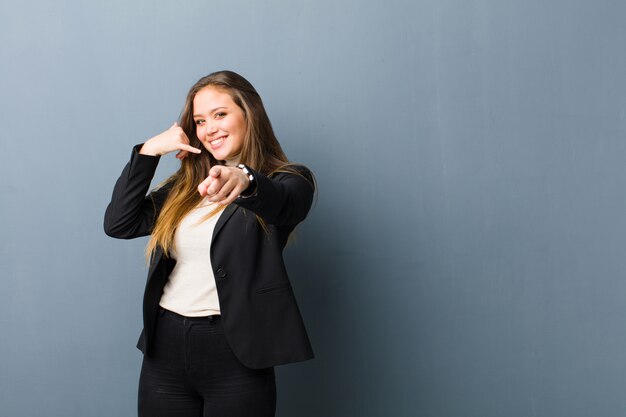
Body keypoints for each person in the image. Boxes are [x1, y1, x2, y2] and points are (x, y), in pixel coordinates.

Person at [104, 70, 315, 417]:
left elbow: (284, 203)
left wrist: (245, 179)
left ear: (249, 114)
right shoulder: (186, 186)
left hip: (236, 354)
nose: (209, 128)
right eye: (200, 121)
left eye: (220, 114)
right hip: (166, 349)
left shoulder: (288, 180)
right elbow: (119, 223)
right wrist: (148, 152)